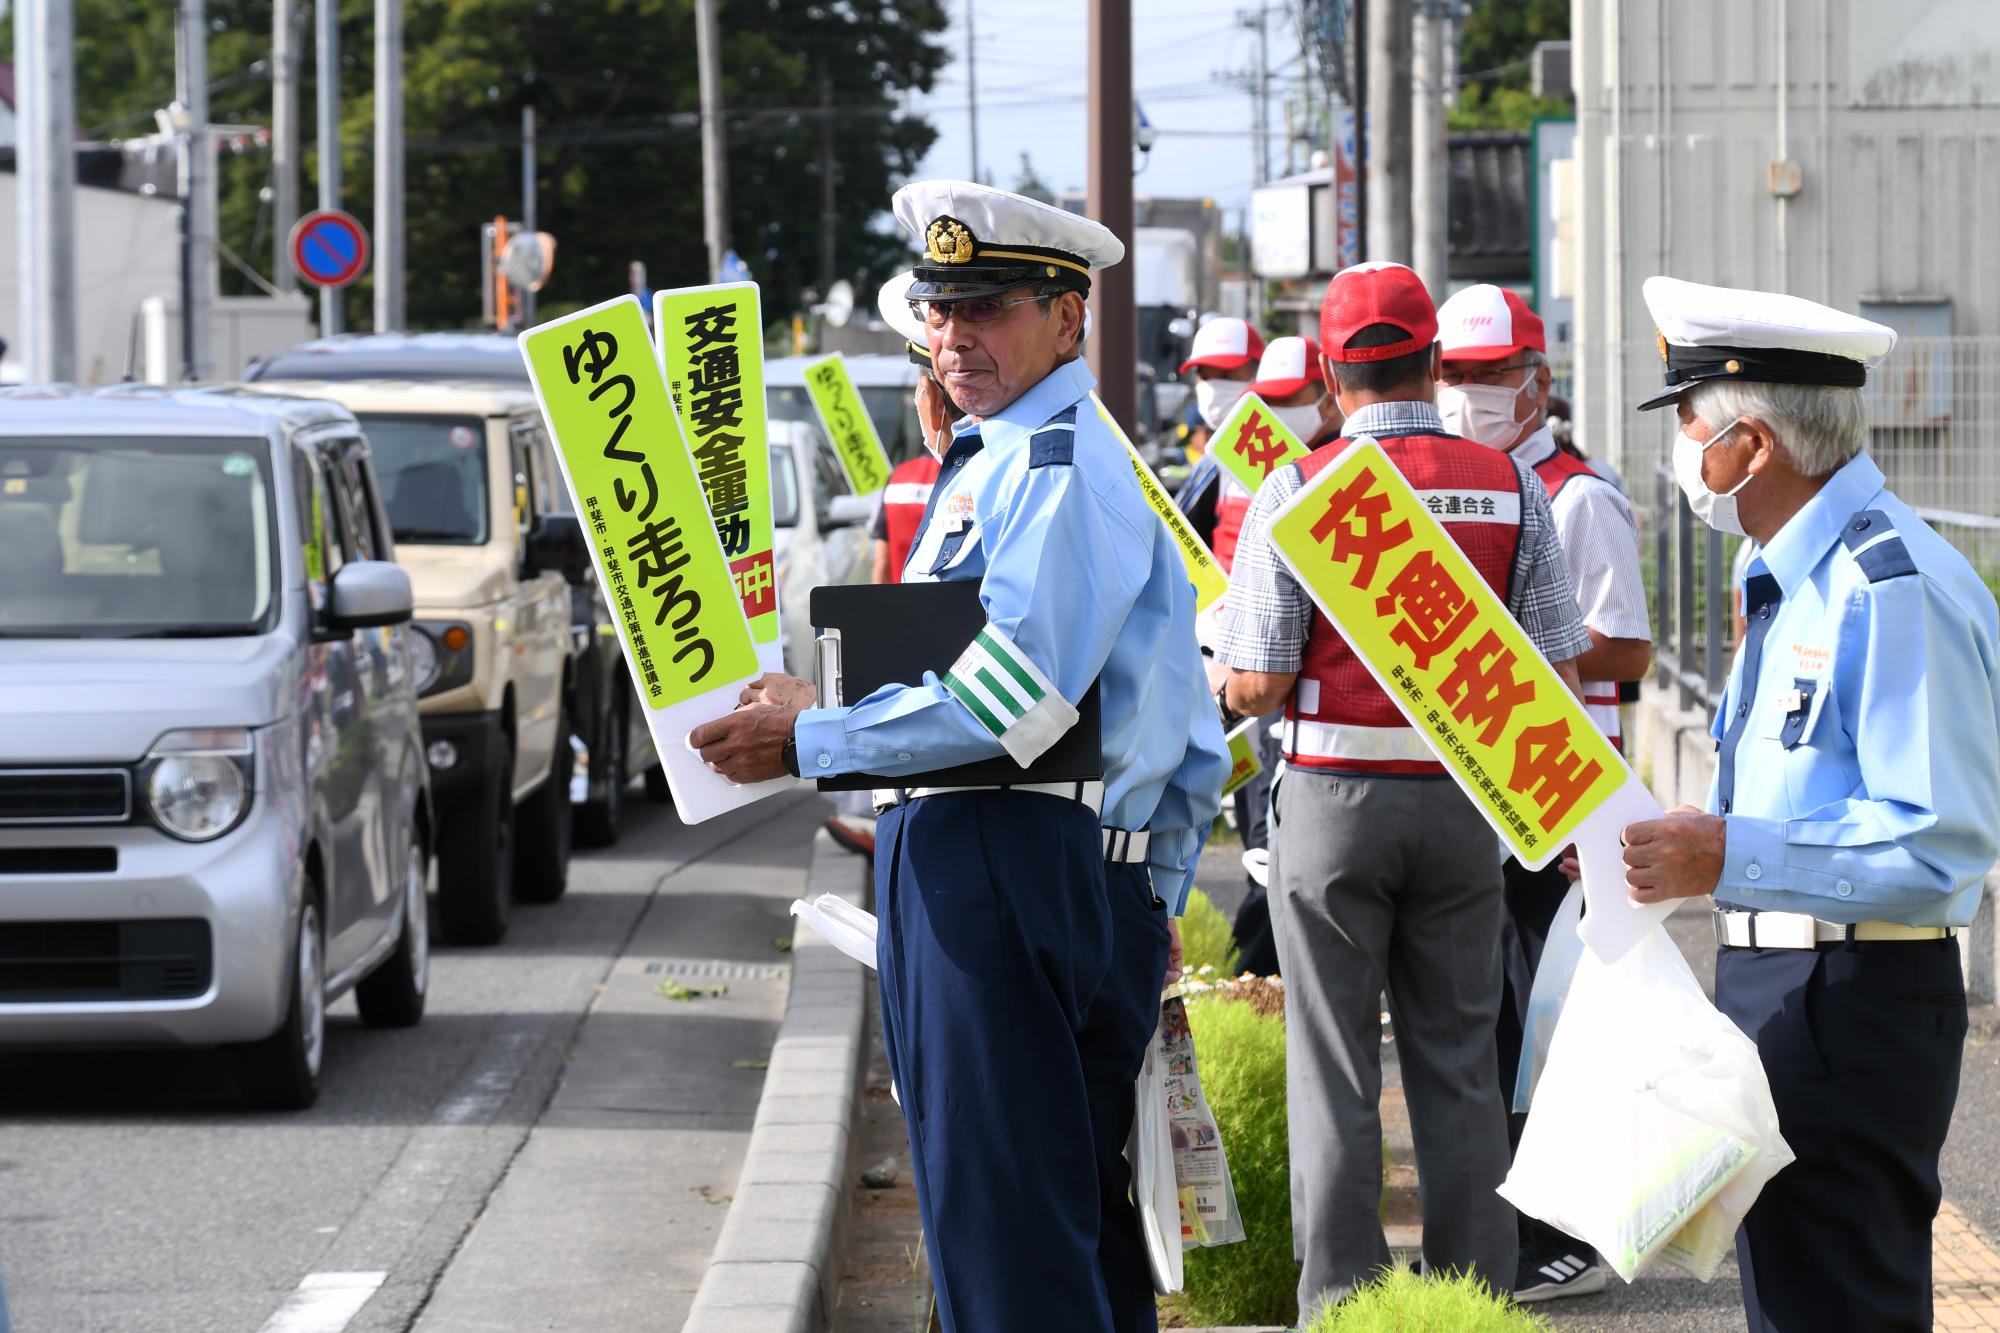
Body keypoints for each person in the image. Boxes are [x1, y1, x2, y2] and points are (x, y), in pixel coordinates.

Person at [691, 180, 1229, 1333]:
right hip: (1026, 855)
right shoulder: (1014, 455)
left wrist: (811, 736)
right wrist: (1148, 886)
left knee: (1007, 1247)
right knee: (1053, 1236)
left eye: (984, 308)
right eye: (936, 311)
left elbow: (1013, 699)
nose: (951, 337)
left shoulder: (1048, 464)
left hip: (1005, 849)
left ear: (1067, 317)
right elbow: (1173, 724)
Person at [1618, 276, 2000, 1333]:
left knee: (1839, 1304)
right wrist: (1650, 845)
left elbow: (1936, 843)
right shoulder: (1788, 574)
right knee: (1792, 1301)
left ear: (1752, 445)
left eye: (1689, 422)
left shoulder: (1888, 587)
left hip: (1852, 996)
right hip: (1784, 983)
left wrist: (1726, 852)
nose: (1682, 452)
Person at [1215, 261, 1591, 1319]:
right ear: (1430, 362)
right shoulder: (1508, 483)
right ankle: (1473, 1297)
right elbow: (1557, 676)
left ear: (1331, 376)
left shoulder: (1299, 486)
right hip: (1465, 810)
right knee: (1460, 1059)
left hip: (1333, 804)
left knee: (1334, 1065)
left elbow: (1260, 681)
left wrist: (1225, 675)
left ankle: (1342, 1302)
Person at [1435, 283, 1653, 1303]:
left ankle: (1560, 1242)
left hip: (1560, 801)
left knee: (1541, 1026)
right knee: (1497, 1024)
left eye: (1491, 374)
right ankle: (1513, 1235)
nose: (1471, 392)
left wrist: (1502, 642)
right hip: (1491, 792)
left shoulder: (1576, 495)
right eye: (1455, 373)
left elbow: (1629, 646)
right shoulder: (1465, 486)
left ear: (1537, 380)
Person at [1213, 334, 1340, 978]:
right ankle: (1259, 991)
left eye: (1294, 397)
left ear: (1329, 395)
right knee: (1261, 850)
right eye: (1269, 399)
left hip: (1314, 715)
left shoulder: (1349, 474)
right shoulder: (1247, 465)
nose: (1279, 411)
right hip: (1257, 695)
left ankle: (1259, 982)